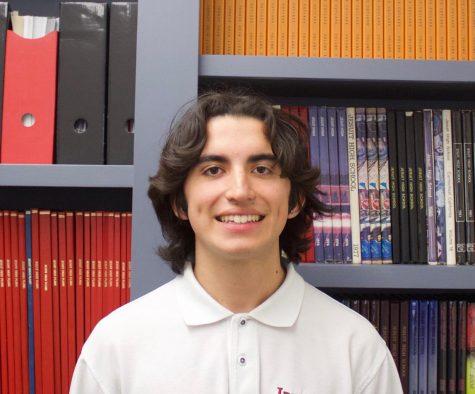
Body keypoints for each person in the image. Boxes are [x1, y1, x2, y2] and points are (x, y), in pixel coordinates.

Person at [70, 91, 403, 393]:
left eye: (261, 169)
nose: (240, 191)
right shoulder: (116, 346)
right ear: (179, 202)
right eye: (214, 170)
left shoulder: (356, 348)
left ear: (295, 200)